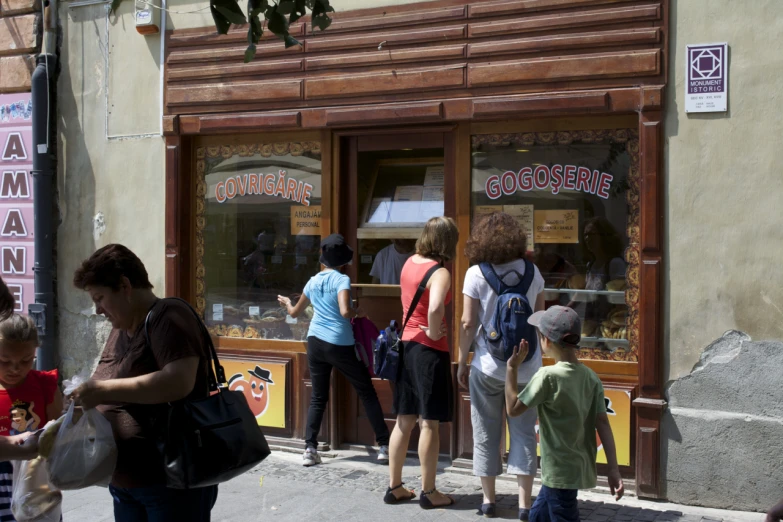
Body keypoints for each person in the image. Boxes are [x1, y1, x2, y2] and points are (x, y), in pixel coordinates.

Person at [69, 244, 218, 522]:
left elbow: (178, 382)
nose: (98, 309)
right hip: (126, 482)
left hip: (169, 482)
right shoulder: (121, 329)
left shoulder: (168, 316)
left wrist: (101, 390)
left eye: (100, 298)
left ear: (124, 286)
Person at [458, 212, 545, 520]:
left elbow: (468, 323)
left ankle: (488, 501)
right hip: (527, 366)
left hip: (487, 365)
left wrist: (461, 361)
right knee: (523, 432)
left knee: (485, 432)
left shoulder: (475, 274)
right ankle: (524, 505)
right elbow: (540, 320)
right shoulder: (533, 273)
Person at [278, 234, 390, 466]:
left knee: (318, 397)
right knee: (366, 391)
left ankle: (310, 449)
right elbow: (344, 311)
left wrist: (287, 304)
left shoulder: (312, 280)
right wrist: (359, 312)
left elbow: (294, 313)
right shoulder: (341, 280)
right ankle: (383, 445)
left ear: (323, 258)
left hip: (316, 342)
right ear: (343, 261)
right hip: (339, 343)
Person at [505, 306, 624, 522]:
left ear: (546, 341)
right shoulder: (591, 377)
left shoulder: (547, 376)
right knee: (538, 515)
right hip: (575, 468)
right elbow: (603, 424)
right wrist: (613, 469)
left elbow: (512, 409)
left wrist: (512, 369)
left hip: (558, 472)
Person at [386, 216, 458, 510]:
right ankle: (429, 492)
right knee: (429, 422)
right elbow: (437, 305)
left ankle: (395, 486)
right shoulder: (440, 272)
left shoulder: (410, 263)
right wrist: (433, 326)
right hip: (429, 351)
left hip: (406, 346)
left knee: (404, 419)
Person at [0, 313, 63, 520]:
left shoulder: (45, 385)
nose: (15, 368)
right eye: (4, 361)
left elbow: (56, 432)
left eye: (26, 360)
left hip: (35, 480)